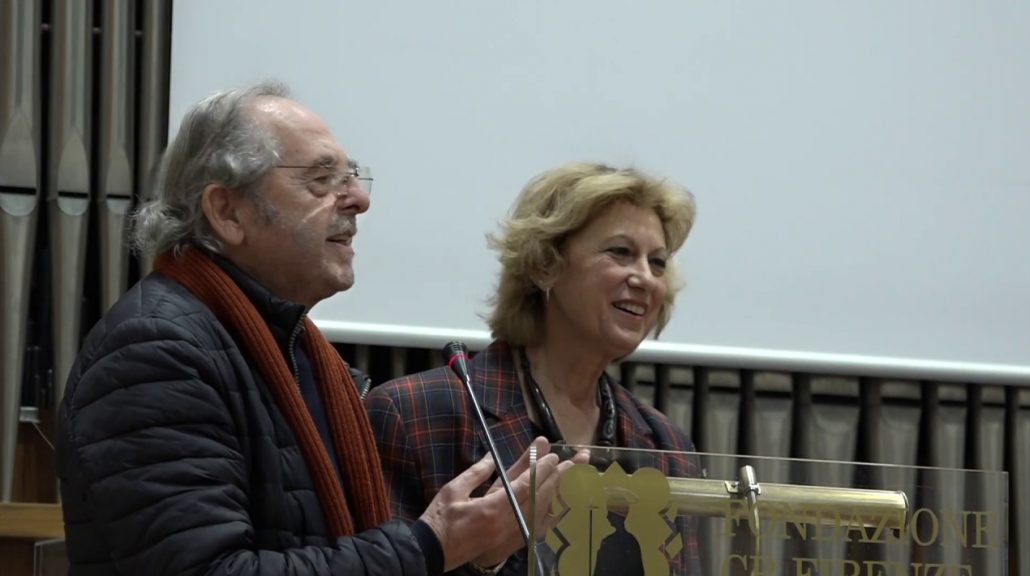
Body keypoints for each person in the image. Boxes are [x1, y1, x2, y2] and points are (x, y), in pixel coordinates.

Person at [55, 82, 572, 576]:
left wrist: (474, 551)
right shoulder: (156, 351)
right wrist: (429, 545)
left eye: (352, 177)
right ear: (228, 211)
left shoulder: (298, 352)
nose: (359, 200)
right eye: (322, 180)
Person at [365, 162, 703, 576]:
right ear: (546, 265)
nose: (645, 278)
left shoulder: (667, 446)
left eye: (658, 262)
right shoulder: (415, 413)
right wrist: (484, 561)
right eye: (620, 252)